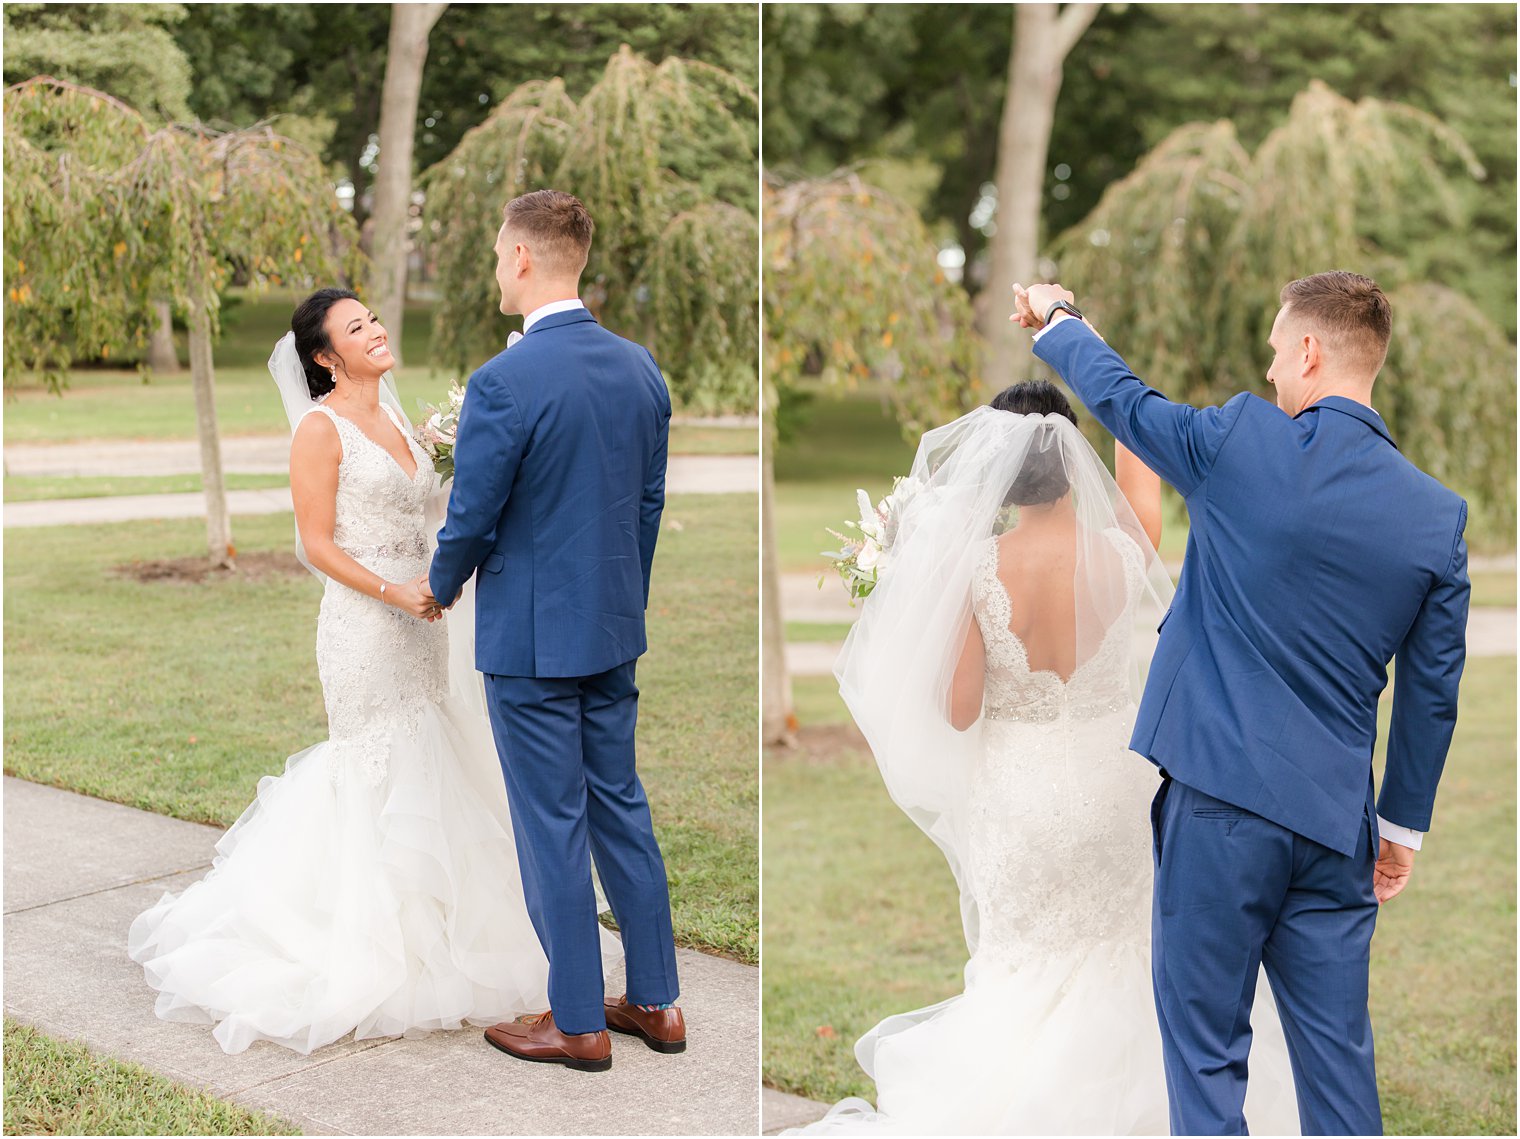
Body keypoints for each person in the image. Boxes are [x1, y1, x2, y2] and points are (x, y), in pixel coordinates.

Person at [1015, 271, 1468, 1134]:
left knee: (1207, 1055)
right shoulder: (1435, 517)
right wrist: (1400, 827)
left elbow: (1125, 399)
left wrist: (1059, 317)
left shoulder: (1240, 443)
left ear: (1307, 348)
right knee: (1339, 1067)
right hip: (1339, 830)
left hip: (1218, 810)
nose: (1268, 374)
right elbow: (1431, 695)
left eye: (1273, 350)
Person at [795, 383, 1299, 1135]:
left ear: (998, 470)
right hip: (1117, 787)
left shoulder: (977, 570)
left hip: (1020, 798)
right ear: (1072, 462)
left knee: (1023, 963)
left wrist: (915, 609)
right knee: (1131, 951)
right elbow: (1142, 480)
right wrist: (1117, 388)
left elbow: (960, 709)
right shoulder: (1124, 552)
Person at [128, 287, 617, 1057]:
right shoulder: (320, 430)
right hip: (367, 623)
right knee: (378, 764)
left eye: (375, 319)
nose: (377, 331)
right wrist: (394, 590)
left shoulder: (399, 420)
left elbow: (436, 508)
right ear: (325, 357)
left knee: (438, 750)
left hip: (428, 614)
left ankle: (446, 938)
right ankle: (375, 950)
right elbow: (316, 544)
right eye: (356, 329)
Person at [422, 189, 684, 1073]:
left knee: (551, 824)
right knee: (620, 806)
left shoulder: (506, 381)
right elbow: (646, 506)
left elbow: (474, 511)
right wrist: (620, 596)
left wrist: (439, 585)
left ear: (525, 258)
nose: (498, 268)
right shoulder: (641, 367)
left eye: (501, 255)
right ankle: (655, 999)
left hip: (533, 643)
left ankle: (577, 1020)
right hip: (612, 627)